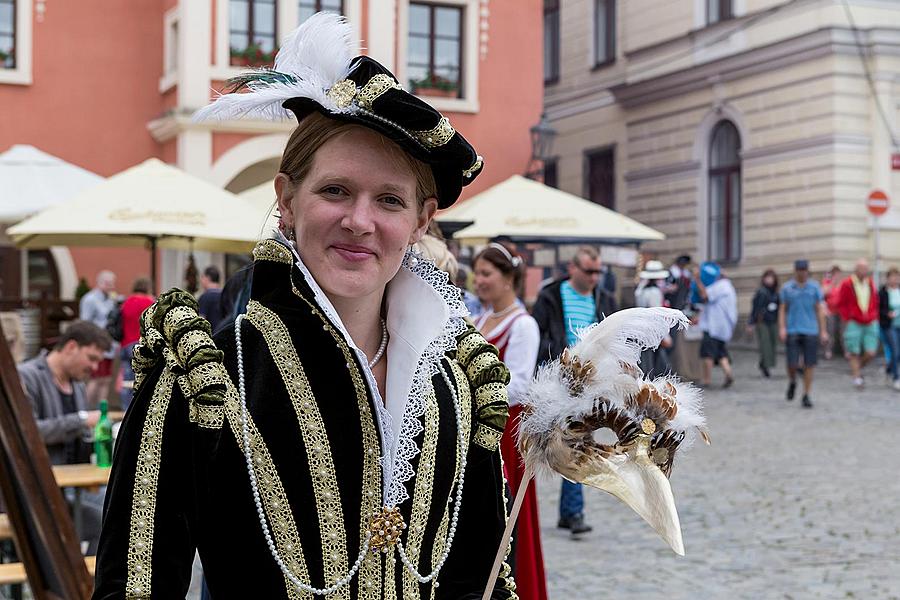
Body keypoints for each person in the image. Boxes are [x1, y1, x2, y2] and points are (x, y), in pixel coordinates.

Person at [93, 13, 516, 599]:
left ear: (421, 221)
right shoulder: (207, 376)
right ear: (287, 200)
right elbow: (134, 587)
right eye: (335, 190)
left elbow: (481, 580)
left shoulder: (458, 384)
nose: (359, 221)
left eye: (389, 200)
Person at [473, 244, 547, 600]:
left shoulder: (523, 325)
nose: (479, 280)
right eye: (477, 273)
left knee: (506, 519)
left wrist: (473, 388)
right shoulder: (479, 320)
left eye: (487, 274)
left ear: (508, 279)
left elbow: (519, 385)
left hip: (505, 433)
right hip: (476, 429)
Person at [532, 245, 614, 537]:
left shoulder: (605, 299)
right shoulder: (550, 297)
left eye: (598, 271)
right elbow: (537, 334)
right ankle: (523, 507)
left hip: (586, 385)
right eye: (589, 270)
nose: (594, 277)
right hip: (554, 381)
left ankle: (573, 511)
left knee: (578, 443)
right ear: (573, 269)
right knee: (539, 446)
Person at [16, 321, 112, 554]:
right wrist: (79, 421)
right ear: (70, 347)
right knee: (106, 522)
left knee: (119, 514)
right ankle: (78, 586)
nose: (94, 367)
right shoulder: (28, 376)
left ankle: (87, 585)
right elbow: (28, 432)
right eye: (91, 358)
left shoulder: (76, 384)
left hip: (72, 487)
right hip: (38, 491)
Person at [778, 260, 828, 408]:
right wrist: (782, 327)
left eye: (804, 270)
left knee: (809, 364)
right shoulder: (787, 288)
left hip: (810, 329)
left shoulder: (814, 287)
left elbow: (819, 309)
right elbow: (782, 309)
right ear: (796, 271)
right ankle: (793, 380)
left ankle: (806, 394)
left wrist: (823, 331)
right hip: (793, 329)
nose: (802, 272)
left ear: (807, 271)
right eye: (800, 270)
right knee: (792, 363)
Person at [835, 258, 880, 389]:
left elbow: (875, 300)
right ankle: (857, 377)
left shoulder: (870, 283)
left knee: (871, 352)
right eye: (862, 268)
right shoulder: (848, 283)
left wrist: (874, 314)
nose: (864, 271)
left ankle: (857, 369)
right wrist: (847, 317)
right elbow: (840, 303)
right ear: (856, 270)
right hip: (854, 321)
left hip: (870, 320)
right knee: (853, 351)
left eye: (866, 268)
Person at [693, 262, 737, 388]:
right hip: (723, 327)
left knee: (708, 353)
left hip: (713, 326)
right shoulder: (728, 287)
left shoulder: (721, 286)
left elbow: (705, 295)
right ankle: (728, 373)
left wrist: (697, 279)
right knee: (721, 353)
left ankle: (706, 379)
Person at [79, 270, 117, 406]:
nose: (111, 286)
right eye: (108, 283)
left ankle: (101, 411)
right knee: (95, 379)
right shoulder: (90, 300)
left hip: (108, 345)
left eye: (112, 284)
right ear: (100, 282)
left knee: (105, 380)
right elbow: (85, 323)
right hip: (96, 345)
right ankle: (86, 409)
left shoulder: (111, 300)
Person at [118, 277, 155, 410]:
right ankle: (139, 409)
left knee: (126, 380)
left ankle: (125, 409)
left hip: (125, 344)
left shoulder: (126, 302)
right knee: (142, 380)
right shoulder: (149, 302)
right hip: (142, 344)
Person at [635, 259, 672, 377]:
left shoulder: (640, 290)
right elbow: (656, 315)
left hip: (642, 331)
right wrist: (664, 336)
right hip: (652, 333)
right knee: (656, 367)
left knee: (647, 363)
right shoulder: (654, 292)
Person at [748, 269, 779, 378]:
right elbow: (755, 308)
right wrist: (751, 322)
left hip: (773, 320)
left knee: (772, 343)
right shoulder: (761, 292)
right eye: (767, 277)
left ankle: (764, 363)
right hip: (763, 321)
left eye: (771, 278)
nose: (769, 280)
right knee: (765, 344)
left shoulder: (776, 292)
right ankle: (765, 366)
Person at [878, 267, 900, 391]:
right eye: (892, 277)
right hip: (889, 325)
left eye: (897, 277)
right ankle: (896, 378)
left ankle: (888, 370)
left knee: (898, 354)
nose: (895, 279)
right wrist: (887, 313)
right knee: (895, 350)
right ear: (888, 278)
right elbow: (879, 309)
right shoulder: (883, 292)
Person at [821, 264, 843, 359]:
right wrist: (832, 282)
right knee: (830, 332)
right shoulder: (827, 282)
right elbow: (823, 293)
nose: (838, 276)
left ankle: (846, 351)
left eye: (839, 274)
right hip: (831, 311)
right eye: (836, 274)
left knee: (843, 332)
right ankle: (828, 350)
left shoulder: (842, 283)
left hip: (841, 312)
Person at [197, 265, 227, 333]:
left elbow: (201, 320)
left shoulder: (205, 297)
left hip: (211, 337)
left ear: (208, 278)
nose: (201, 280)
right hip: (224, 335)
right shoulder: (225, 295)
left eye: (202, 277)